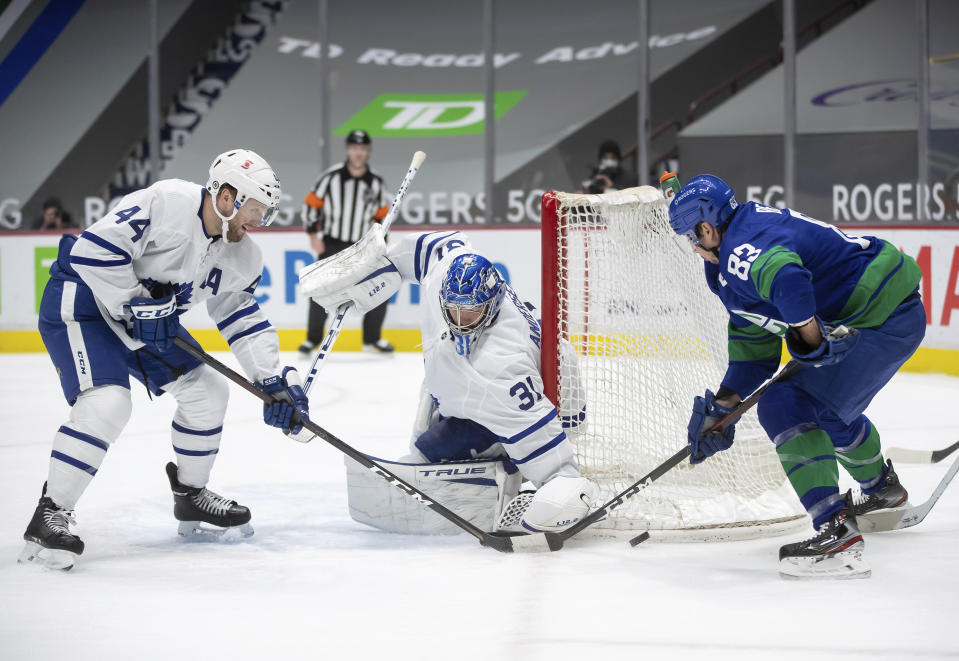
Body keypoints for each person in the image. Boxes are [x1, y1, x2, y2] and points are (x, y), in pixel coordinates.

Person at [19, 149, 310, 570]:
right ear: (226, 197)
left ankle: (190, 495)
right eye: (256, 209)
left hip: (147, 321)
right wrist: (137, 302)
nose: (260, 222)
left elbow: (239, 314)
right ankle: (50, 512)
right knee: (107, 403)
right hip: (83, 300)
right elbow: (90, 253)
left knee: (208, 390)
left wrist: (272, 380)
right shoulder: (167, 202)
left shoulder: (243, 256)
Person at [668, 174, 924, 579]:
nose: (693, 247)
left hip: (879, 317)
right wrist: (725, 405)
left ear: (706, 228)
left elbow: (787, 278)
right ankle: (882, 492)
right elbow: (755, 348)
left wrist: (810, 335)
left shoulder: (740, 249)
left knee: (785, 404)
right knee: (825, 410)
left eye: (691, 237)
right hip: (887, 308)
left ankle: (835, 534)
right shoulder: (735, 251)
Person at [300, 226, 597, 534]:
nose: (459, 320)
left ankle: (507, 463)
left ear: (492, 304)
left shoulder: (499, 371)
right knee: (427, 420)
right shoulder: (450, 274)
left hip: (539, 405)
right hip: (528, 376)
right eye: (452, 310)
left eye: (469, 313)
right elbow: (435, 246)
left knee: (431, 448)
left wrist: (561, 483)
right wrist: (379, 267)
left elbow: (547, 451)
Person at [299, 129, 394, 355]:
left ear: (368, 151)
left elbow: (382, 216)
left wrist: (380, 245)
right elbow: (311, 204)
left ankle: (373, 339)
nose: (358, 153)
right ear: (348, 150)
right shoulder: (330, 178)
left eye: (363, 149)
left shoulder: (377, 182)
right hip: (333, 244)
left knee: (377, 288)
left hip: (363, 248)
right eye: (355, 148)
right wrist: (313, 236)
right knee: (320, 291)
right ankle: (312, 339)